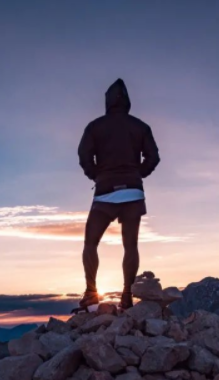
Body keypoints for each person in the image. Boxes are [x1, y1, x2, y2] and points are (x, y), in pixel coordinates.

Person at [76, 78, 160, 312]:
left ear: (107, 101)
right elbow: (153, 158)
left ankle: (91, 293)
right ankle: (126, 296)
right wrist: (137, 175)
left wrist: (97, 176)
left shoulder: (94, 127)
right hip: (133, 193)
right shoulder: (141, 126)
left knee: (91, 243)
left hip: (104, 193)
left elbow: (84, 156)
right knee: (130, 246)